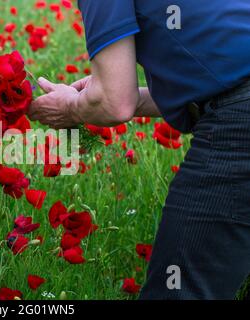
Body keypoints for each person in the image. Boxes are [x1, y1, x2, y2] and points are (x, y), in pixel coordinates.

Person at [28, 0, 250, 300]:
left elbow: (114, 103)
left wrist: (71, 106)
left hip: (239, 128)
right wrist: (98, 95)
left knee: (179, 291)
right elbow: (210, 80)